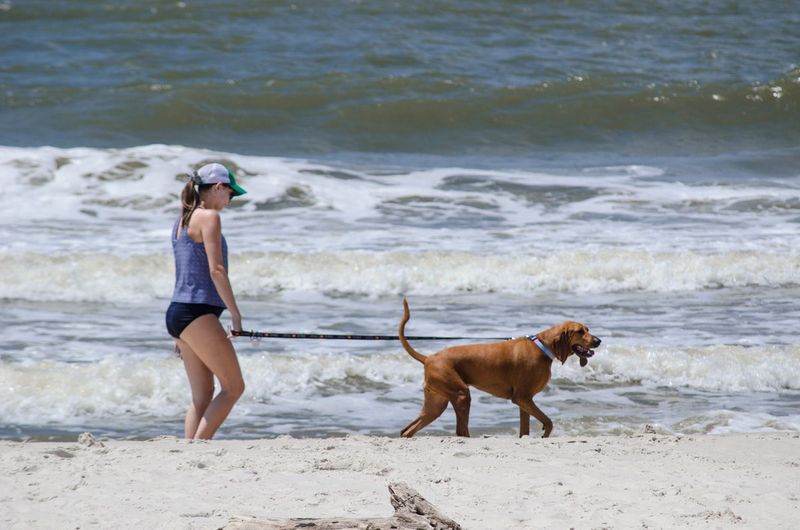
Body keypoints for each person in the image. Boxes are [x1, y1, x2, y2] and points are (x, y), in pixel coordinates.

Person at [165, 162, 247, 439]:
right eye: (230, 194)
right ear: (218, 187)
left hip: (179, 314)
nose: (229, 201)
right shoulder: (209, 217)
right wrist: (235, 316)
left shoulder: (181, 220)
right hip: (196, 314)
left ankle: (188, 454)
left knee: (202, 396)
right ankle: (200, 447)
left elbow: (185, 275)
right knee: (234, 387)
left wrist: (183, 334)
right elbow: (216, 270)